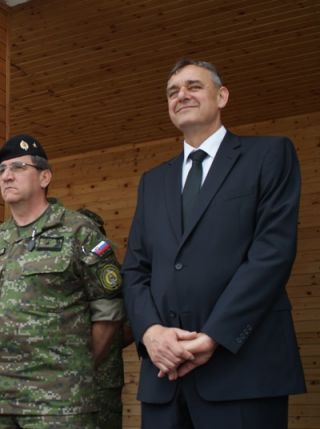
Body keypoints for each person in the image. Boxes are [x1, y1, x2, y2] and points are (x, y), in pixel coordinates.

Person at [122, 59, 306, 428]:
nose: (182, 95)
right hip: (164, 377)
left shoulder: (268, 155)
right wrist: (151, 332)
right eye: (173, 92)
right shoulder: (152, 182)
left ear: (221, 96)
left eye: (194, 86)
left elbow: (271, 255)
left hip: (243, 372)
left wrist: (214, 335)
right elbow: (135, 269)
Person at [0, 134, 125, 428]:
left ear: (45, 177)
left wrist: (75, 368)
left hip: (58, 402)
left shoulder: (78, 231)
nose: (6, 176)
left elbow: (109, 309)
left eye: (18, 167)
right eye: (1, 170)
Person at [77, 207, 129, 429]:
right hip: (68, 379)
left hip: (103, 379)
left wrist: (109, 342)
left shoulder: (109, 270)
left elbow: (131, 323)